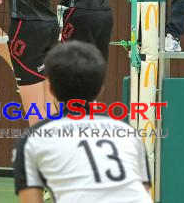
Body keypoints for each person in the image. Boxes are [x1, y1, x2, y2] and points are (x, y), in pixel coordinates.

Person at [13, 41, 152, 202]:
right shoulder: (129, 133)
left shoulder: (32, 140)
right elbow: (144, 192)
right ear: (101, 90)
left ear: (51, 89)